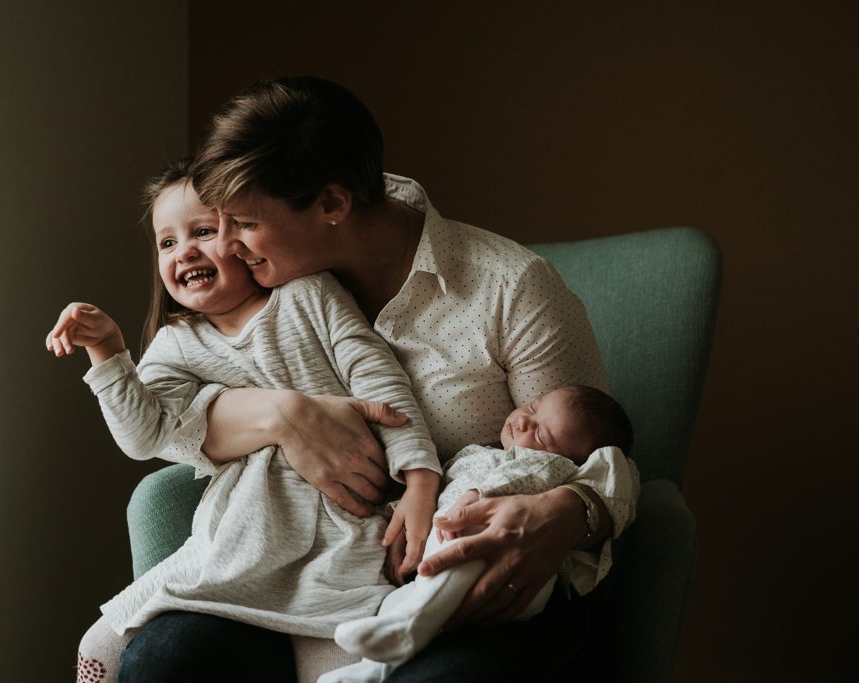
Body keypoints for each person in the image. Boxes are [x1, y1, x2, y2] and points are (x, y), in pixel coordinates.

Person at [119, 75, 638, 682]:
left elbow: (585, 450)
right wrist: (285, 416)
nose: (225, 246)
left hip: (455, 587)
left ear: (333, 205)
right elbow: (164, 423)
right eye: (218, 223)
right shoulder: (258, 280)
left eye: (243, 223)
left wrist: (572, 510)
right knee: (163, 662)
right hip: (296, 574)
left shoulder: (510, 290)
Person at [45, 162, 442, 683]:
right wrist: (107, 351)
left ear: (244, 238)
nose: (183, 250)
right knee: (101, 643)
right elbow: (145, 436)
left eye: (203, 232)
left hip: (341, 528)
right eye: (166, 243)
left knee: (345, 659)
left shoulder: (310, 296)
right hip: (238, 539)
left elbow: (380, 382)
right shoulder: (177, 344)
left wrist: (419, 481)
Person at [321, 385, 637, 682]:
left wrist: (477, 494)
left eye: (540, 433)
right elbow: (440, 487)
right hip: (441, 563)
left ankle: (408, 627)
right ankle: (371, 670)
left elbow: (531, 476)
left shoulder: (547, 464)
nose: (525, 420)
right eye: (531, 407)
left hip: (511, 568)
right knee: (396, 602)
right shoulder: (476, 454)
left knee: (465, 556)